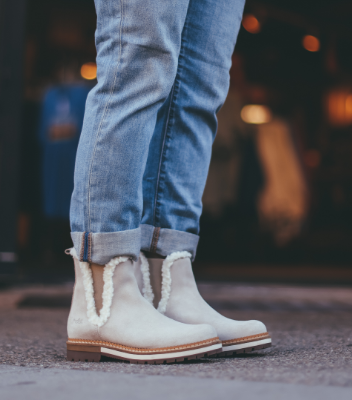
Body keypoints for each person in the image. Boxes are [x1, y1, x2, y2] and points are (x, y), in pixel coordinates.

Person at [66, 0, 271, 364]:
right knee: (139, 58)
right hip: (105, 289)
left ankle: (167, 286)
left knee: (199, 87)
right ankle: (103, 296)